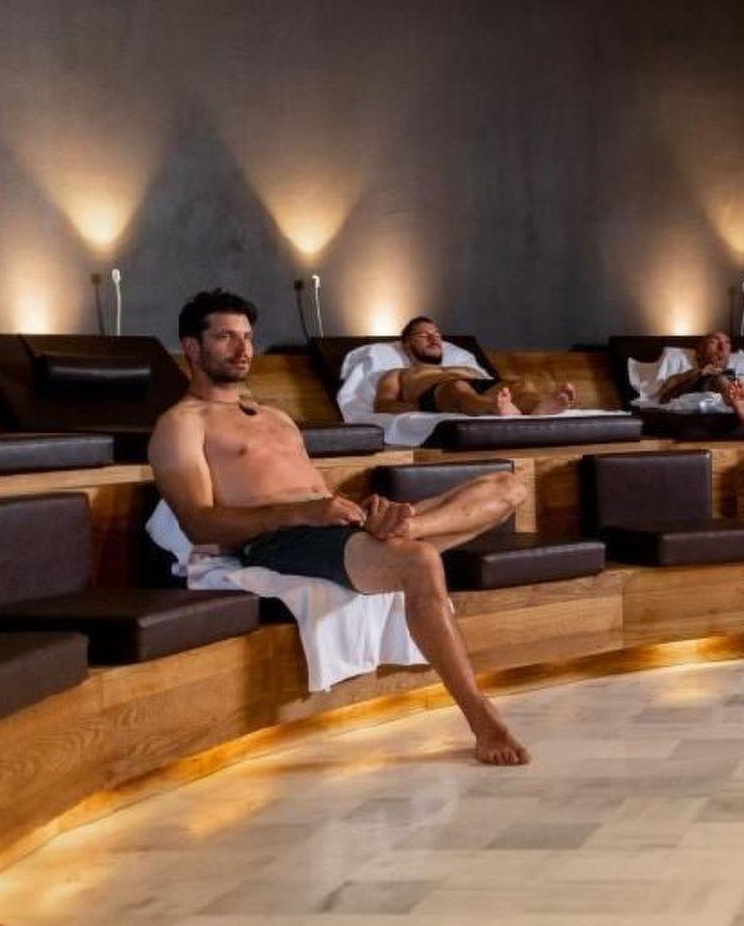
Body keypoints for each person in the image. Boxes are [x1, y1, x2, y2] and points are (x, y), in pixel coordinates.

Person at [149, 290, 530, 766]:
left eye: (247, 336)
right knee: (418, 561)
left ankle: (405, 527)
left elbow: (308, 486)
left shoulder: (275, 416)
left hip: (334, 528)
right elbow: (198, 523)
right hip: (281, 540)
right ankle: (480, 715)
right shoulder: (181, 425)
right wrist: (305, 514)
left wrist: (358, 510)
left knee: (508, 487)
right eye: (226, 337)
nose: (243, 348)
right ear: (191, 346)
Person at [372, 316, 576, 417]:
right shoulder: (398, 373)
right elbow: (383, 405)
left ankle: (537, 408)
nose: (434, 339)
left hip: (475, 387)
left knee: (521, 384)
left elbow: (489, 384)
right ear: (407, 344)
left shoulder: (463, 367)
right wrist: (422, 409)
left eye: (437, 335)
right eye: (425, 336)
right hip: (441, 393)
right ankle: (494, 408)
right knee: (458, 387)